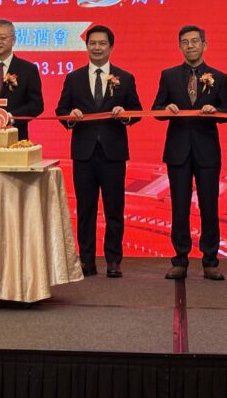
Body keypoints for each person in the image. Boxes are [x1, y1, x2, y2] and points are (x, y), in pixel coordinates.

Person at [55, 24, 142, 279]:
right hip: (83, 153)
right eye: (92, 43)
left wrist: (125, 115)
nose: (97, 47)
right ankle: (87, 260)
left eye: (102, 43)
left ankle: (114, 260)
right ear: (86, 46)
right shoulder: (73, 78)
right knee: (85, 210)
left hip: (113, 153)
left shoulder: (125, 78)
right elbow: (61, 110)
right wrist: (71, 117)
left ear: (111, 47)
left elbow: (137, 111)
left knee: (114, 208)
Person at [152, 25, 227, 281]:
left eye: (195, 41)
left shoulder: (219, 77)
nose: (190, 46)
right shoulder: (169, 75)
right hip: (178, 151)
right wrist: (167, 109)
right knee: (179, 206)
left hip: (207, 151)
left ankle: (210, 261)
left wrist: (215, 111)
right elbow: (156, 109)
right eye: (185, 42)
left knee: (209, 205)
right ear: (179, 47)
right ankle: (180, 259)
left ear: (204, 45)